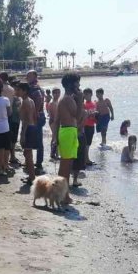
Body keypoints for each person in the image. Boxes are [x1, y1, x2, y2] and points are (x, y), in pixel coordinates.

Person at [54, 73, 81, 205]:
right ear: (71, 84)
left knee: (67, 165)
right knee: (65, 166)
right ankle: (62, 195)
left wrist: (54, 138)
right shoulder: (67, 99)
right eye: (77, 82)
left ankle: (64, 194)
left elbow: (57, 120)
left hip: (68, 132)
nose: (79, 85)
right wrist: (80, 100)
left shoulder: (66, 99)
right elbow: (77, 115)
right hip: (68, 132)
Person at [17, 82, 39, 183]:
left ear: (24, 91)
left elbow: (25, 119)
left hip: (27, 128)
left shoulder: (25, 102)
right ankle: (31, 176)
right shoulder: (31, 101)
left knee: (28, 154)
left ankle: (32, 177)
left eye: (19, 90)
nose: (17, 91)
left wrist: (22, 134)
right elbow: (35, 116)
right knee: (28, 154)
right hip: (33, 127)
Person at [26, 70, 46, 172]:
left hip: (37, 116)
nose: (27, 77)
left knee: (36, 139)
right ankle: (36, 162)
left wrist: (36, 113)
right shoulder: (34, 87)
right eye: (27, 75)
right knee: (36, 139)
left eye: (29, 75)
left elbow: (39, 99)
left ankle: (38, 163)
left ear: (35, 76)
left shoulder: (35, 88)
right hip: (37, 116)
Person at [0, 72, 21, 166]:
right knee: (11, 138)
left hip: (15, 118)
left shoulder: (14, 95)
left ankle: (11, 156)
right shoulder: (11, 94)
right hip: (12, 118)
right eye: (16, 84)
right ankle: (11, 156)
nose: (17, 86)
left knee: (13, 138)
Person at [82, 88, 97, 167]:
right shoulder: (84, 104)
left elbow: (95, 116)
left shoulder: (94, 103)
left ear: (91, 94)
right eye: (85, 94)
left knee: (89, 143)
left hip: (92, 125)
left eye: (88, 94)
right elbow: (83, 115)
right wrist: (90, 115)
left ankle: (86, 158)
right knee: (86, 143)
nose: (86, 96)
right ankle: (86, 159)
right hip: (86, 125)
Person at [48, 88, 61, 160]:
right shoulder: (52, 103)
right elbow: (52, 115)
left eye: (59, 93)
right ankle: (55, 153)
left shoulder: (57, 102)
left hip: (56, 122)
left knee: (55, 137)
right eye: (56, 93)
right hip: (53, 121)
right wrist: (56, 122)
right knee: (55, 137)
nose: (57, 94)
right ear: (53, 94)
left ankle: (54, 153)